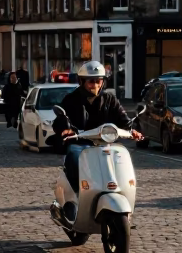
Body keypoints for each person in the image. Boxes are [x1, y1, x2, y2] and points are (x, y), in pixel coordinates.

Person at [52, 61, 141, 194]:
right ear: (82, 82)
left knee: (120, 158)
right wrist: (66, 128)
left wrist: (132, 130)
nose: (95, 85)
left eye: (98, 81)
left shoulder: (110, 99)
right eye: (91, 81)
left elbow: (123, 118)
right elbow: (60, 119)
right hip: (80, 143)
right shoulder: (71, 99)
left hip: (105, 144)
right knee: (73, 155)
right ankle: (77, 192)